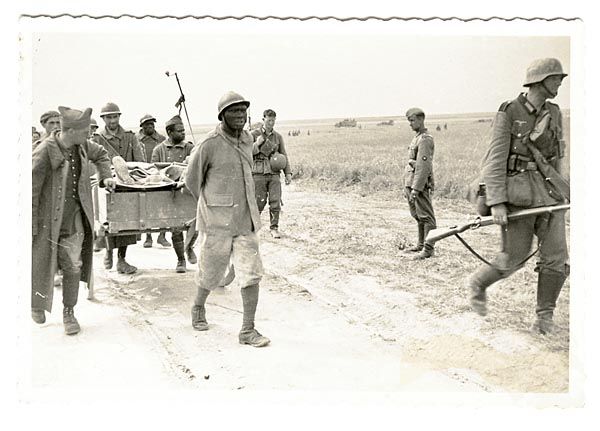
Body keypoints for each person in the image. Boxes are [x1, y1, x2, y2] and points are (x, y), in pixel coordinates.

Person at [467, 58, 569, 335]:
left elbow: (557, 158)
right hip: (518, 194)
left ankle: (544, 318)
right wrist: (496, 201)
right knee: (513, 258)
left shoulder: (555, 112)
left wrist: (563, 194)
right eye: (556, 77)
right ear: (540, 80)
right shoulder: (510, 111)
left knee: (557, 258)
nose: (560, 82)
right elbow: (496, 159)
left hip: (549, 194)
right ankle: (478, 285)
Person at [185, 91, 270, 347]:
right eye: (234, 111)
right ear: (222, 115)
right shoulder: (208, 144)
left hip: (246, 221)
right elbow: (192, 182)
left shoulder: (247, 138)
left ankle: (247, 330)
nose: (240, 116)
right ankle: (198, 306)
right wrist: (213, 206)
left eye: (243, 111)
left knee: (251, 274)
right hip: (217, 222)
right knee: (211, 272)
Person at [32, 106, 116, 335]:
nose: (89, 135)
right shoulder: (43, 151)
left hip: (74, 219)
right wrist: (29, 225)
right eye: (85, 131)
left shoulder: (81, 146)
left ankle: (69, 311)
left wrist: (106, 176)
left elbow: (101, 155)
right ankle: (37, 302)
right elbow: (30, 190)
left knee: (73, 264)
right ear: (69, 131)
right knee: (41, 264)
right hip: (47, 222)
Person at [92, 102, 146, 274]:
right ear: (103, 119)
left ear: (119, 117)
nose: (112, 120)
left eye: (115, 116)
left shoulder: (130, 136)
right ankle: (108, 252)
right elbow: (94, 163)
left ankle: (122, 259)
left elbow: (139, 161)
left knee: (127, 223)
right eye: (109, 117)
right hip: (106, 183)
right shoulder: (97, 138)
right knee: (107, 220)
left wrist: (130, 175)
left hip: (127, 183)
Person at [151, 115, 197, 272]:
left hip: (187, 193)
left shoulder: (190, 148)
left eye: (184, 130)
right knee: (176, 228)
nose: (183, 133)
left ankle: (189, 247)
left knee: (195, 224)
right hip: (168, 195)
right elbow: (154, 172)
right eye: (180, 131)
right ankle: (181, 260)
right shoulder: (159, 150)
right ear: (169, 132)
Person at [250, 109, 292, 239]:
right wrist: (257, 143)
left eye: (273, 120)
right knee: (258, 203)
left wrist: (288, 173)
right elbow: (246, 152)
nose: (271, 123)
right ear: (263, 120)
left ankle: (274, 228)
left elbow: (283, 154)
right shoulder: (253, 134)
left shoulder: (278, 137)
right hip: (258, 172)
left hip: (274, 172)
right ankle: (252, 229)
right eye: (268, 120)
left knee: (275, 201)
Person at [403, 107, 437, 260]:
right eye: (409, 120)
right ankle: (421, 244)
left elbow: (423, 167)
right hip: (412, 182)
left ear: (421, 119)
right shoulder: (417, 137)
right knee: (418, 216)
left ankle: (428, 249)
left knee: (426, 217)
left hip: (419, 184)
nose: (410, 124)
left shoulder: (425, 139)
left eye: (412, 120)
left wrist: (416, 188)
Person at [138, 114, 169, 248]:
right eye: (147, 124)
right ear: (142, 126)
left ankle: (162, 236)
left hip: (160, 174)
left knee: (164, 205)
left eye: (152, 124)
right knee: (146, 207)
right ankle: (148, 236)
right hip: (143, 176)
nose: (150, 126)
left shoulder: (162, 139)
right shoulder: (136, 139)